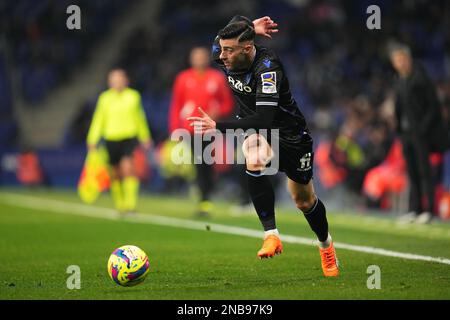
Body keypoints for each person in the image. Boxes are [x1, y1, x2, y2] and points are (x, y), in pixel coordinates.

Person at [187, 16, 339, 277]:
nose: (221, 56)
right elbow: (224, 40)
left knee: (304, 201)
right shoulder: (226, 53)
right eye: (221, 49)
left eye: (228, 50)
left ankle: (326, 245)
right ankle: (271, 234)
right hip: (260, 133)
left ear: (247, 49)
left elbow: (264, 119)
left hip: (292, 137)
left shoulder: (268, 69)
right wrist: (249, 27)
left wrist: (217, 126)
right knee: (254, 154)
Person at [168, 47, 234, 216]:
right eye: (196, 57)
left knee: (208, 163)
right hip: (190, 128)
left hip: (210, 128)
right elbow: (176, 105)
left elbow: (227, 103)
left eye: (202, 57)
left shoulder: (217, 78)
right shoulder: (183, 78)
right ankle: (204, 199)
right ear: (191, 59)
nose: (199, 60)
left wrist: (218, 112)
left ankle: (206, 198)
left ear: (207, 59)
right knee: (198, 164)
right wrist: (175, 129)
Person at [389, 42, 449, 224]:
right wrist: (399, 128)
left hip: (420, 133)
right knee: (412, 171)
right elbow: (399, 107)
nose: (400, 63)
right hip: (406, 133)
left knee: (425, 171)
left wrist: (423, 129)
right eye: (397, 60)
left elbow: (434, 107)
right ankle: (415, 209)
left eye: (402, 59)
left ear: (409, 59)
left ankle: (429, 210)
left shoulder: (421, 78)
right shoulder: (399, 80)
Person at [87, 68, 152, 214]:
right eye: (114, 79)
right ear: (110, 82)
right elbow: (99, 119)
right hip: (111, 138)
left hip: (129, 137)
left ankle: (130, 204)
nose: (117, 82)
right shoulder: (104, 98)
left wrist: (145, 136)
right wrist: (92, 138)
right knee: (115, 173)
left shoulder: (133, 96)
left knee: (128, 168)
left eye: (120, 78)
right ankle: (120, 204)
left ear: (126, 80)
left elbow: (139, 118)